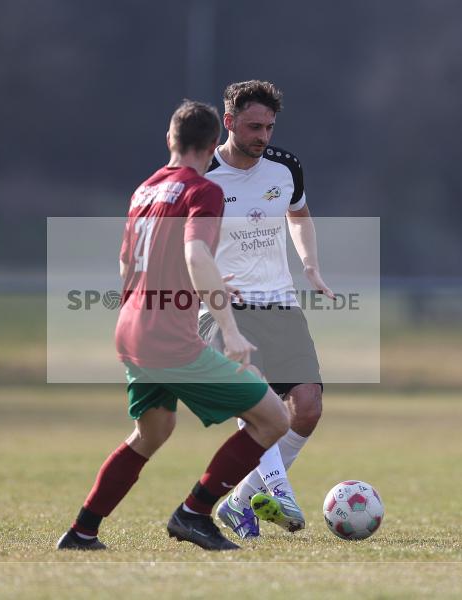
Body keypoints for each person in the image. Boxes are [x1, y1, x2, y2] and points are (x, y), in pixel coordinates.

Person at [57, 100, 289, 551]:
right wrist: (232, 330)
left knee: (153, 432)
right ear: (210, 146)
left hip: (131, 327)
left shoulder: (144, 189)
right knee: (273, 418)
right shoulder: (202, 191)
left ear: (170, 139)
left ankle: (83, 530)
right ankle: (193, 514)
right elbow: (196, 255)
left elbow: (128, 261)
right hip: (167, 339)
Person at [199, 80, 333, 539]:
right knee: (257, 399)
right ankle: (280, 492)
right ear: (230, 122)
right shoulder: (201, 174)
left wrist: (311, 266)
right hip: (225, 305)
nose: (263, 136)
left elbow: (300, 215)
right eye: (254, 126)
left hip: (280, 300)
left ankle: (240, 500)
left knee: (308, 408)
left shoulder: (285, 167)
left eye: (269, 127)